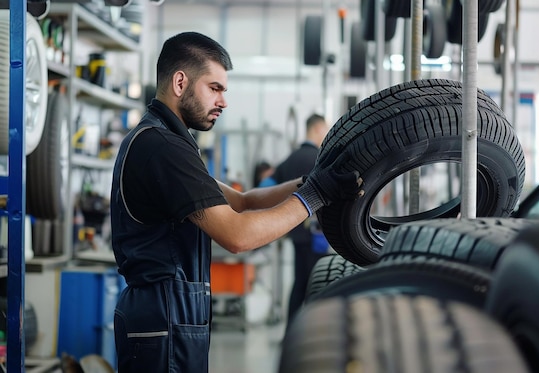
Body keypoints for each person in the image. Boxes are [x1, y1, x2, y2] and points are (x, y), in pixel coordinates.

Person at [109, 32, 362, 373]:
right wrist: (317, 195)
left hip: (171, 310)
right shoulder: (161, 147)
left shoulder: (165, 140)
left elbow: (243, 202)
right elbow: (238, 235)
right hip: (165, 313)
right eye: (215, 88)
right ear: (180, 82)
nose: (223, 101)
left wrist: (311, 181)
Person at [267, 113, 332, 326]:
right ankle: (311, 332)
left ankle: (292, 330)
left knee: (299, 282)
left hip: (294, 231)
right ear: (316, 129)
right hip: (317, 235)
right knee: (317, 282)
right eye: (325, 129)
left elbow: (269, 187)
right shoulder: (319, 159)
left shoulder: (290, 159)